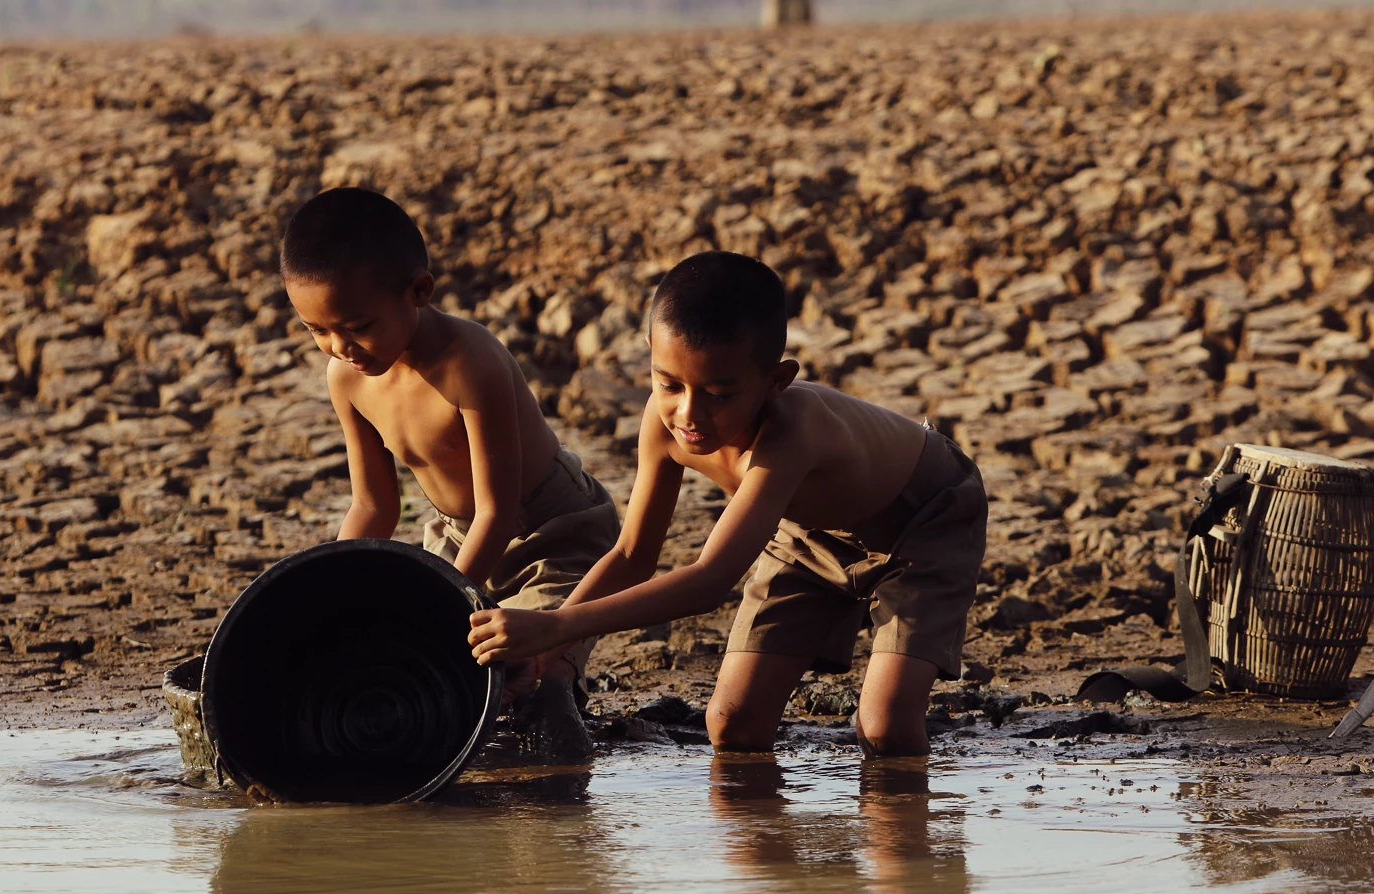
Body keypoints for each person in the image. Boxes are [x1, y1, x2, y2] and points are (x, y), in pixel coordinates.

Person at [467, 251, 987, 757]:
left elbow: (712, 579)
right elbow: (631, 557)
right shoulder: (663, 421)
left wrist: (558, 626)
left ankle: (908, 842)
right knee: (732, 724)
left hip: (925, 521)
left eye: (720, 394)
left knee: (885, 727)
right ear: (650, 349)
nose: (689, 412)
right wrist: (545, 650)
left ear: (775, 382)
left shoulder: (794, 431)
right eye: (669, 383)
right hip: (807, 534)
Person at [279, 186, 619, 759]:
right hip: (456, 536)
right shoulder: (347, 378)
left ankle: (559, 703)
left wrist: (440, 607)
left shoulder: (471, 363)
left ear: (419, 290)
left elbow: (501, 510)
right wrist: (333, 587)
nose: (340, 347)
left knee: (535, 669)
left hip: (553, 530)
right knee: (436, 673)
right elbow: (373, 506)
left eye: (357, 325)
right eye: (318, 331)